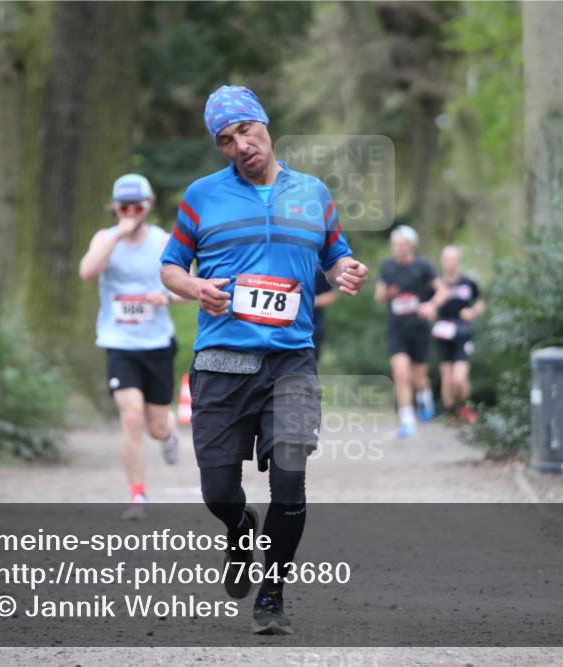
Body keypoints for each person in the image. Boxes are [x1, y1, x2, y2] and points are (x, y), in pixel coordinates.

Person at [160, 85, 368, 635]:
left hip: (292, 363)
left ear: (264, 124)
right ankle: (239, 528)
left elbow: (335, 254)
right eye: (225, 140)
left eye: (246, 130)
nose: (240, 145)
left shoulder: (313, 193)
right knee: (217, 492)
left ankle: (272, 594)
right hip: (222, 363)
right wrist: (194, 287)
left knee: (292, 483)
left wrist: (344, 270)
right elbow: (170, 266)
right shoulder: (202, 196)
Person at [79, 173, 181, 521]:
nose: (132, 212)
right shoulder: (104, 239)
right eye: (125, 207)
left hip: (156, 343)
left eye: (138, 207)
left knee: (155, 426)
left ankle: (167, 432)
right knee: (132, 417)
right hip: (119, 342)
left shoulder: (163, 241)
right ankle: (138, 496)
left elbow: (188, 287)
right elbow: (88, 272)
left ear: (148, 206)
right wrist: (118, 235)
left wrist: (165, 297)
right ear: (115, 208)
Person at [375, 225, 447, 438]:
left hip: (419, 328)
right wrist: (387, 292)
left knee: (418, 377)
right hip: (397, 328)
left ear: (411, 245)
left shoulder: (423, 266)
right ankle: (407, 421)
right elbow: (378, 297)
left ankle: (424, 393)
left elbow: (442, 291)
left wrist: (431, 305)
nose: (399, 248)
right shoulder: (388, 267)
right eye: (395, 245)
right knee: (400, 373)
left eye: (402, 244)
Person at [433, 245, 485, 422]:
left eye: (454, 259)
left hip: (463, 332)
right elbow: (427, 305)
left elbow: (480, 302)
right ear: (442, 262)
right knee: (447, 380)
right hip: (443, 334)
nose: (450, 263)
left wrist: (472, 312)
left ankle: (465, 407)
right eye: (447, 259)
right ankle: (452, 414)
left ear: (459, 261)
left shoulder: (468, 282)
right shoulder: (436, 284)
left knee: (459, 379)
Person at [312, 269, 337, 361]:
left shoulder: (318, 268)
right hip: (282, 329)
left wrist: (307, 302)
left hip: (312, 329)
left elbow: (331, 296)